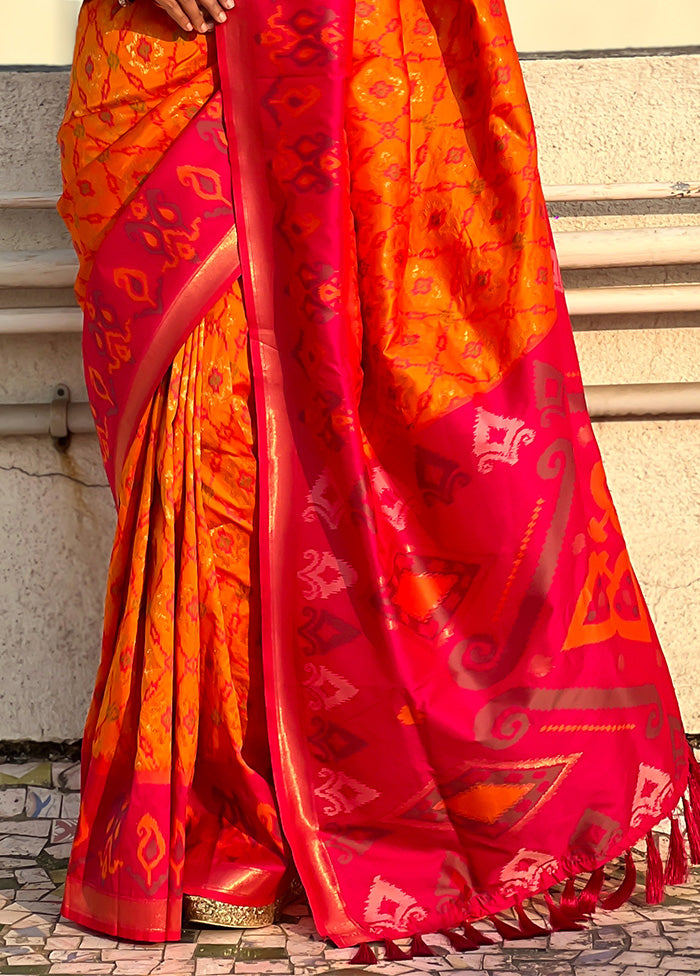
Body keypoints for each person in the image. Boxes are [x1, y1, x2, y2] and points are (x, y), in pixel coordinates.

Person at [57, 0, 698, 955]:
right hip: (170, 59)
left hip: (352, 54)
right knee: (203, 432)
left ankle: (353, 803)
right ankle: (219, 811)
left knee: (322, 415)